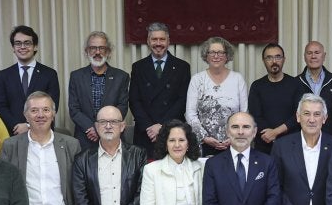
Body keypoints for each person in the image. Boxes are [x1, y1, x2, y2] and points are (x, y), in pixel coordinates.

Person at [129, 22, 192, 156]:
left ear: (169, 41)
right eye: (154, 39)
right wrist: (149, 127)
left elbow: (183, 100)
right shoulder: (138, 67)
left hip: (172, 131)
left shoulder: (182, 67)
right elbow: (134, 100)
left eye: (162, 39)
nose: (158, 43)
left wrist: (162, 126)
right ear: (148, 41)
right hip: (146, 132)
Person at [0, 25, 62, 135]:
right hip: (13, 132)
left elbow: (53, 106)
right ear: (13, 48)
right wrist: (16, 126)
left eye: (27, 43)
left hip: (42, 132)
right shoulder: (4, 75)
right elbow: (0, 106)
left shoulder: (49, 74)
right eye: (18, 43)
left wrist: (29, 126)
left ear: (35, 47)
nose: (22, 46)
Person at [185, 36, 249, 155]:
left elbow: (244, 113)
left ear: (227, 56)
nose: (216, 56)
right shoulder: (197, 80)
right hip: (203, 145)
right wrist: (204, 137)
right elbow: (190, 114)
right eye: (212, 52)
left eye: (220, 52)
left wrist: (234, 138)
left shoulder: (237, 79)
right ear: (206, 55)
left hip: (233, 143)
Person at [68, 30, 130, 152]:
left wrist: (100, 128)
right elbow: (74, 109)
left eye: (102, 48)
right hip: (85, 137)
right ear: (87, 51)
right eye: (93, 48)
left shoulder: (121, 77)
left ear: (108, 51)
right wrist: (91, 127)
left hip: (112, 136)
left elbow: (122, 107)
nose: (97, 52)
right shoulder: (76, 76)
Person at [248, 43, 302, 153]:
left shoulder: (296, 84)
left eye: (278, 57)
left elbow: (299, 114)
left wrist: (275, 132)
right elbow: (255, 116)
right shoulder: (257, 86)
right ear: (263, 61)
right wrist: (270, 134)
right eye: (269, 57)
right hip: (264, 143)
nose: (274, 61)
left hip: (291, 144)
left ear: (284, 59)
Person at [298, 40, 332, 136]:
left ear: (324, 56)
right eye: (309, 53)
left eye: (317, 53)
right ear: (304, 56)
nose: (313, 56)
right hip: (303, 137)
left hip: (330, 137)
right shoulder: (295, 82)